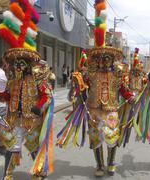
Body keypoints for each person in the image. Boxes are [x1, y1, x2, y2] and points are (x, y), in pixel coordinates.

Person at [57, 2, 135, 177]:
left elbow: (122, 89)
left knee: (111, 136)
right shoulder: (90, 74)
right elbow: (81, 89)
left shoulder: (116, 75)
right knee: (95, 138)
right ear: (96, 60)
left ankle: (111, 162)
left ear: (111, 60)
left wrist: (129, 97)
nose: (104, 61)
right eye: (101, 59)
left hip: (111, 110)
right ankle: (99, 165)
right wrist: (77, 88)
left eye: (107, 59)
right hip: (93, 110)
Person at [0, 1, 54, 179]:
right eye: (17, 62)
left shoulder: (37, 76)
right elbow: (7, 94)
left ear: (29, 62)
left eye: (22, 62)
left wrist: (40, 106)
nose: (19, 65)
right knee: (11, 145)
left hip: (31, 118)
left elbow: (47, 95)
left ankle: (38, 171)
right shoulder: (13, 77)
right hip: (14, 117)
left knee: (33, 146)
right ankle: (8, 173)